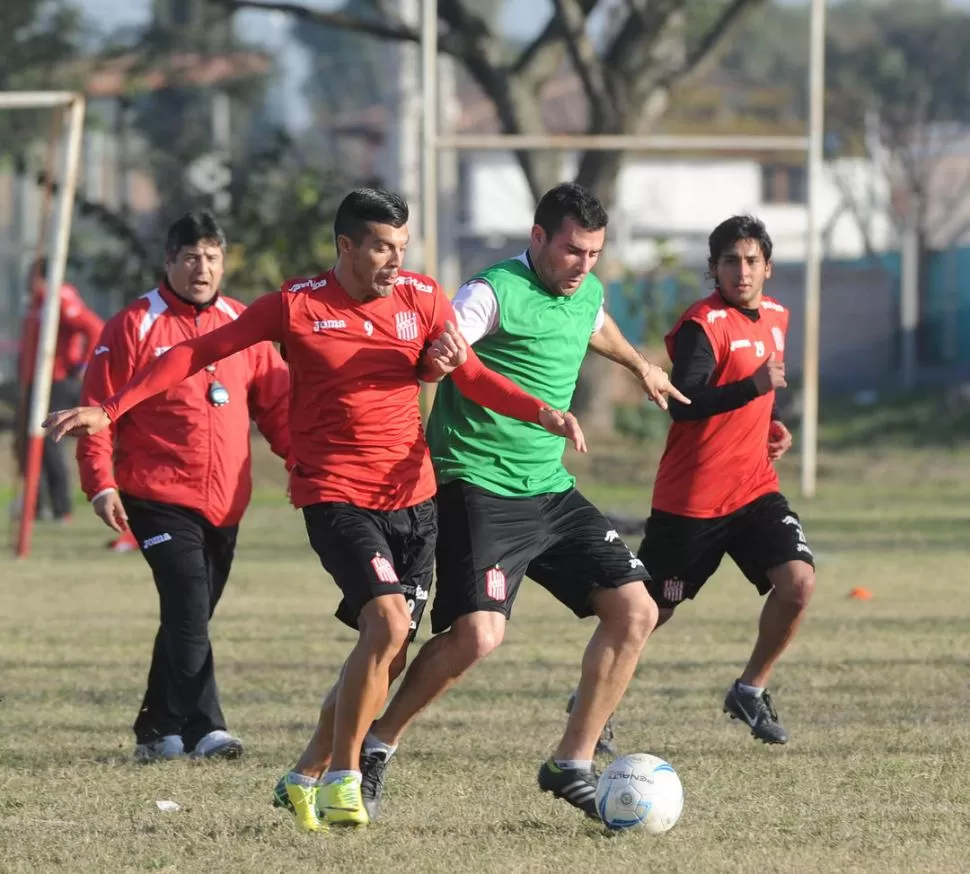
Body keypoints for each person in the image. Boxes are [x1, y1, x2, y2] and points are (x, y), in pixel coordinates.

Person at [45, 187, 586, 830]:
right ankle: (343, 777)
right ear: (346, 245)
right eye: (381, 247)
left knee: (389, 652)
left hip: (414, 499)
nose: (394, 259)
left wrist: (542, 411)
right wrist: (109, 409)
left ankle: (302, 774)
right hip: (334, 495)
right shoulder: (295, 307)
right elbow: (195, 353)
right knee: (384, 625)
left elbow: (466, 373)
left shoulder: (421, 298)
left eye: (401, 247)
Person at [282, 182, 690, 825]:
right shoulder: (488, 292)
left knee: (636, 609)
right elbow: (446, 348)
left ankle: (571, 763)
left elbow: (594, 318)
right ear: (537, 239)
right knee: (477, 635)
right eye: (571, 252)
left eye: (593, 253)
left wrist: (641, 366)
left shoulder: (582, 288)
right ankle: (378, 742)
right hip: (476, 484)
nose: (583, 265)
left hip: (548, 487)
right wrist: (440, 357)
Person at [73, 210, 293, 762]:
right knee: (190, 608)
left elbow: (279, 408)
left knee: (186, 616)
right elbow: (99, 412)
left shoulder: (244, 324)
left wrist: (308, 462)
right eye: (191, 256)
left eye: (213, 256)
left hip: (227, 502)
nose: (203, 267)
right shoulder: (133, 325)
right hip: (157, 496)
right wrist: (101, 483)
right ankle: (204, 729)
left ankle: (154, 730)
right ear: (169, 261)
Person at [620, 214, 814, 746]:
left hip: (753, 488)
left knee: (798, 584)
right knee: (648, 613)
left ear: (768, 267)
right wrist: (752, 390)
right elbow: (685, 405)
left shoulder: (777, 316)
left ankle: (750, 690)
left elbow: (757, 394)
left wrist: (771, 424)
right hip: (693, 499)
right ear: (714, 268)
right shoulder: (700, 325)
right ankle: (597, 700)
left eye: (752, 261)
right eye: (731, 261)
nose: (742, 271)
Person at [15, 257, 104, 522]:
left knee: (49, 444)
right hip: (33, 382)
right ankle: (36, 505)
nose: (29, 282)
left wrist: (83, 363)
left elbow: (93, 327)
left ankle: (62, 508)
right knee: (30, 445)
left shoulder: (59, 297)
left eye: (33, 276)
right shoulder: (35, 303)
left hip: (54, 381)